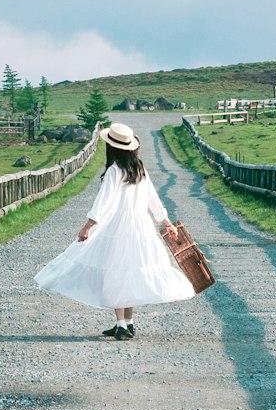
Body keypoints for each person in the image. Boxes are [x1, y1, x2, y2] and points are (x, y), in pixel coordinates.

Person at [34, 123, 195, 338]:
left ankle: (121, 324)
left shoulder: (114, 171)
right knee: (130, 271)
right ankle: (128, 323)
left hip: (118, 226)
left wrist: (88, 226)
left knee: (117, 271)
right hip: (141, 226)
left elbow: (103, 202)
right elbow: (153, 199)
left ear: (113, 147)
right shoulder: (140, 169)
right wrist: (166, 222)